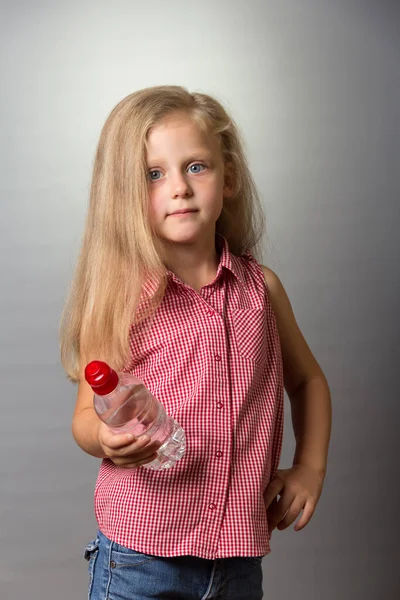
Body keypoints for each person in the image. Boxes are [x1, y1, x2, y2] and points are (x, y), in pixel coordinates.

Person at [60, 85, 332, 600]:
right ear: (125, 193)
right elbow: (83, 418)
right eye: (153, 175)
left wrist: (310, 467)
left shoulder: (262, 290)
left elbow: (308, 380)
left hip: (237, 560)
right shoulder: (121, 299)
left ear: (227, 176)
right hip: (139, 559)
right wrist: (106, 441)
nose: (179, 188)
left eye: (196, 166)